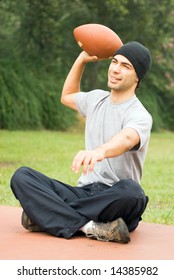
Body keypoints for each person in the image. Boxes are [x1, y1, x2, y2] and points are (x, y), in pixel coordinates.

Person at [10, 41, 152, 243]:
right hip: (85, 194)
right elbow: (66, 96)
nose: (115, 69)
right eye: (114, 62)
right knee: (22, 176)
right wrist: (81, 60)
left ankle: (46, 217)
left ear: (138, 76)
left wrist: (100, 151)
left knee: (134, 193)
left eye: (125, 66)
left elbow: (128, 137)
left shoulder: (140, 114)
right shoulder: (96, 99)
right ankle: (90, 227)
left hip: (115, 198)